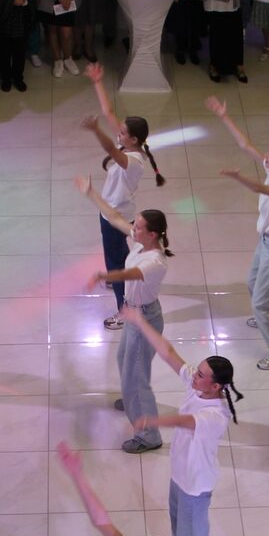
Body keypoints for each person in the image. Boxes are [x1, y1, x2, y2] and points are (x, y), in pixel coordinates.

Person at [118, 305, 240, 536]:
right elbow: (168, 352)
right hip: (181, 474)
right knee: (178, 523)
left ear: (215, 386)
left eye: (200, 375)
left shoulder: (215, 414)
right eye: (197, 371)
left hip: (195, 484)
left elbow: (186, 421)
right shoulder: (198, 387)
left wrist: (151, 420)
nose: (194, 375)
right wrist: (140, 321)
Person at [76, 174, 173, 452]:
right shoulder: (142, 242)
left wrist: (103, 275)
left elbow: (131, 273)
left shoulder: (156, 261)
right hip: (134, 313)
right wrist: (92, 193)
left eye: (139, 227)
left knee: (137, 379)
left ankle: (149, 436)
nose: (134, 229)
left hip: (145, 319)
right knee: (124, 361)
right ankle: (131, 398)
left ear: (152, 234)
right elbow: (115, 217)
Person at [208, 98, 269, 370]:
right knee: (252, 282)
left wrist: (237, 177)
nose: (266, 157)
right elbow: (246, 145)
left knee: (260, 304)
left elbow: (261, 190)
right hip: (266, 242)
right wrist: (224, 116)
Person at [82, 64, 164, 326]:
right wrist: (97, 81)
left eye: (123, 133)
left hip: (116, 215)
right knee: (115, 255)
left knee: (116, 261)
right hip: (110, 211)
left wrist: (96, 130)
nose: (119, 133)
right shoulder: (128, 145)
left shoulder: (133, 161)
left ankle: (123, 309)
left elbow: (110, 148)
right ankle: (116, 280)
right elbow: (108, 112)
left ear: (134, 139)